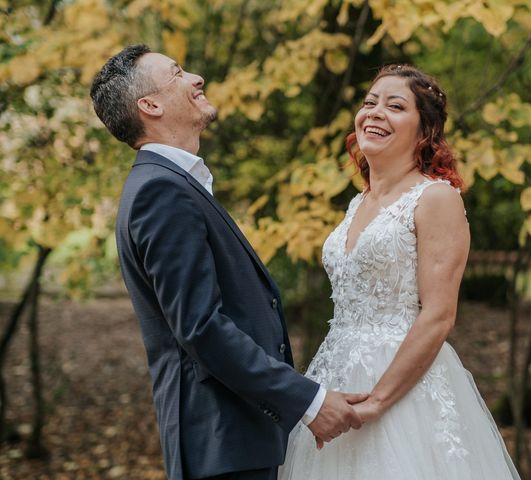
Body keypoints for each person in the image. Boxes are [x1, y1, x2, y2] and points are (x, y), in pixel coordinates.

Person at [90, 45, 367, 480]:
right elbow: (201, 327)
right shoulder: (160, 192)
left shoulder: (172, 184)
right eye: (178, 72)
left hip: (236, 440)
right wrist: (308, 402)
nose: (196, 77)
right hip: (221, 444)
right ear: (151, 105)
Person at [279, 64, 521, 479]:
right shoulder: (360, 201)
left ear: (424, 131)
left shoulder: (435, 198)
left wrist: (377, 402)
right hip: (335, 374)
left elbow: (439, 315)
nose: (375, 112)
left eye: (395, 106)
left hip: (403, 388)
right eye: (370, 102)